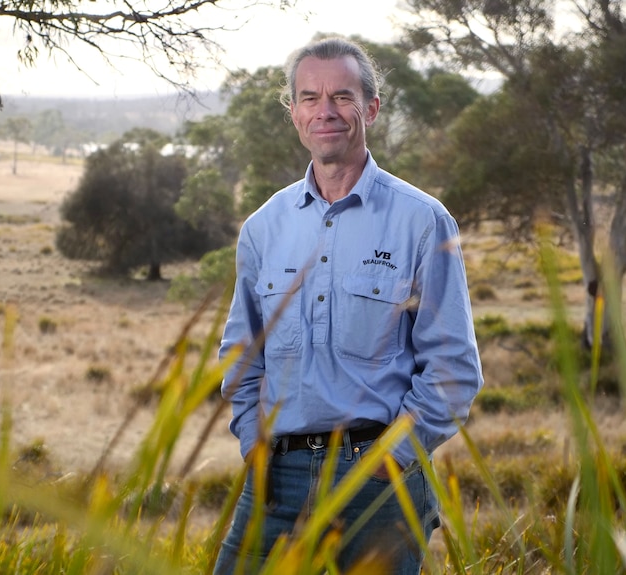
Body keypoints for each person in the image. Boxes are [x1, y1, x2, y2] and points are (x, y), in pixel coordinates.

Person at [214, 37, 484, 575]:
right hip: (276, 480)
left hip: (377, 481)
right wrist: (253, 443)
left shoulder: (422, 221)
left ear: (372, 108)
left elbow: (454, 367)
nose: (326, 111)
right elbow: (241, 356)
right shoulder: (264, 228)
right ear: (293, 112)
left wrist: (391, 459)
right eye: (310, 98)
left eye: (342, 96)